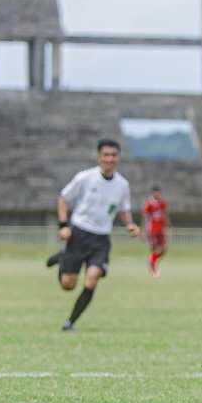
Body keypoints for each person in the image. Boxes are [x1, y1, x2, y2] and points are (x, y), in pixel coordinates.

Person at [45, 139, 140, 331]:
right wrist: (63, 225)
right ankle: (64, 257)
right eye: (106, 155)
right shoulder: (85, 177)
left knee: (92, 278)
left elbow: (123, 209)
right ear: (99, 157)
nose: (109, 159)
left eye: (113, 155)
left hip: (101, 238)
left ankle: (70, 323)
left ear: (118, 158)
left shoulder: (122, 185)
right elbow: (63, 198)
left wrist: (130, 224)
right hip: (79, 233)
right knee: (68, 285)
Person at [142, 185, 170, 278]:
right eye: (155, 192)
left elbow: (165, 215)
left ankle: (152, 262)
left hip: (161, 229)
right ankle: (153, 268)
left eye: (158, 192)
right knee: (155, 248)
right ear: (153, 193)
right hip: (152, 229)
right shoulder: (149, 203)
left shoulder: (162, 203)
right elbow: (145, 217)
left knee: (164, 248)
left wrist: (168, 227)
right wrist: (144, 231)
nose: (157, 194)